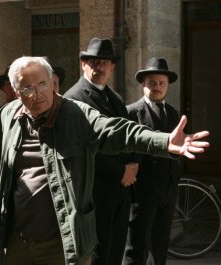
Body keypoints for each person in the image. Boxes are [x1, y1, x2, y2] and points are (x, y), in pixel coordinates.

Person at [0, 56, 209, 265]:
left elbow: (120, 131)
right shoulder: (9, 115)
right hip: (16, 242)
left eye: (42, 84)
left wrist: (164, 142)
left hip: (64, 244)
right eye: (26, 88)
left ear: (53, 83)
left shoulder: (78, 115)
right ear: (15, 91)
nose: (36, 95)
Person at [64, 37, 138, 265]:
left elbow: (127, 133)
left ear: (112, 66)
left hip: (120, 191)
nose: (99, 67)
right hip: (94, 192)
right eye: (94, 62)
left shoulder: (114, 97)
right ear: (83, 64)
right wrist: (120, 172)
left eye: (104, 63)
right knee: (97, 255)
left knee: (116, 252)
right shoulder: (73, 99)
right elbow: (83, 147)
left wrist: (134, 164)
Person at [123, 58, 181, 265]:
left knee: (161, 243)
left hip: (167, 190)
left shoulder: (173, 112)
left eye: (161, 83)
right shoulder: (131, 112)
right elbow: (126, 150)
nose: (157, 87)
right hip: (142, 192)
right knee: (137, 246)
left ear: (167, 85)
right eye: (152, 83)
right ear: (143, 84)